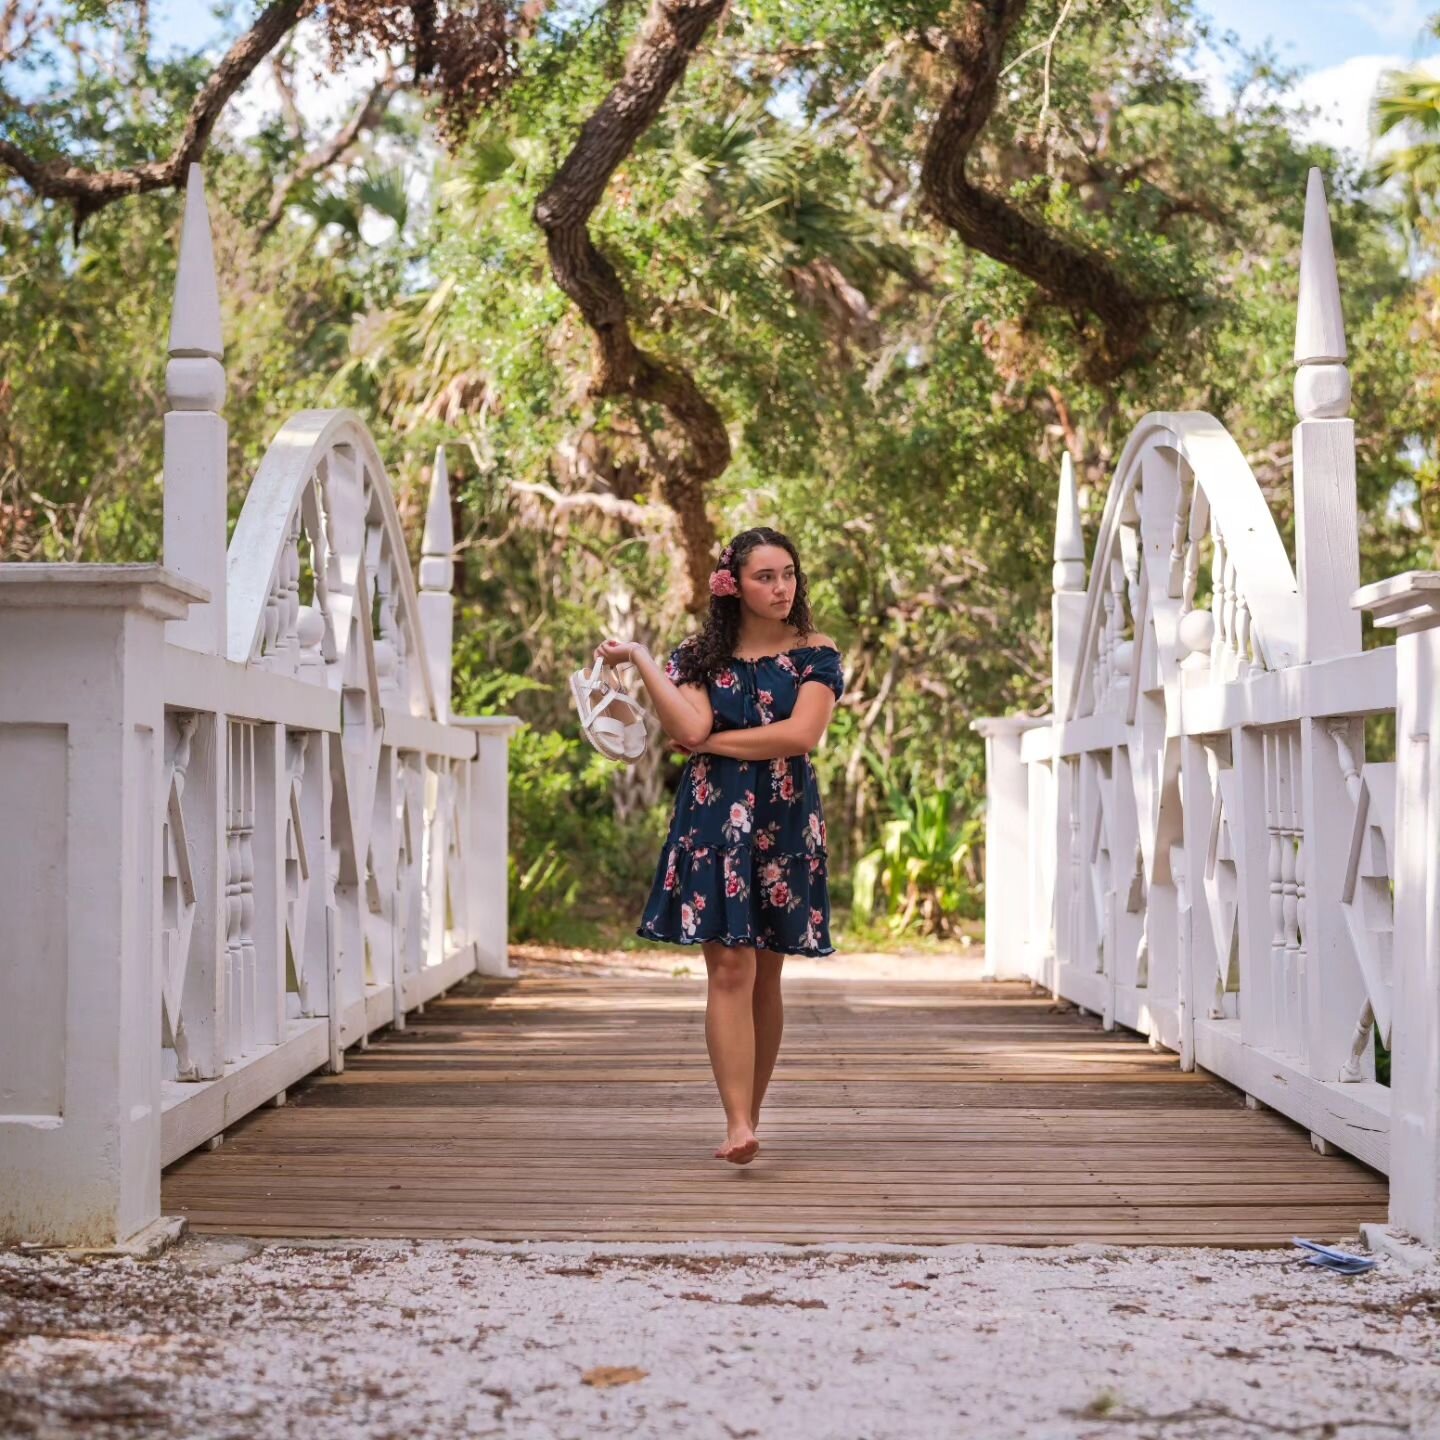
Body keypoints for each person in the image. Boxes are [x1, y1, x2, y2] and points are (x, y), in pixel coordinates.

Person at [593, 527, 846, 1166]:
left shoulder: (814, 653)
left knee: (767, 971)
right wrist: (644, 660)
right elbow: (688, 723)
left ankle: (750, 1112)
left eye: (788, 574)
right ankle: (737, 1123)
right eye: (766, 576)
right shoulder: (701, 656)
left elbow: (800, 735)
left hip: (783, 820)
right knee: (730, 966)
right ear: (733, 585)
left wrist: (711, 748)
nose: (781, 587)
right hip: (714, 820)